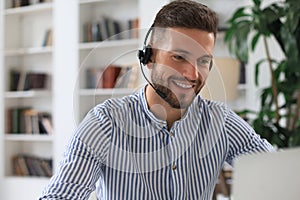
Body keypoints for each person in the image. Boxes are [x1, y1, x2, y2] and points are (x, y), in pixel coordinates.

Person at [39, 0, 274, 199]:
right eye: (179, 57)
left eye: (203, 61)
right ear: (149, 57)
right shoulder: (105, 122)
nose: (192, 74)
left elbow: (278, 174)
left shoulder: (220, 121)